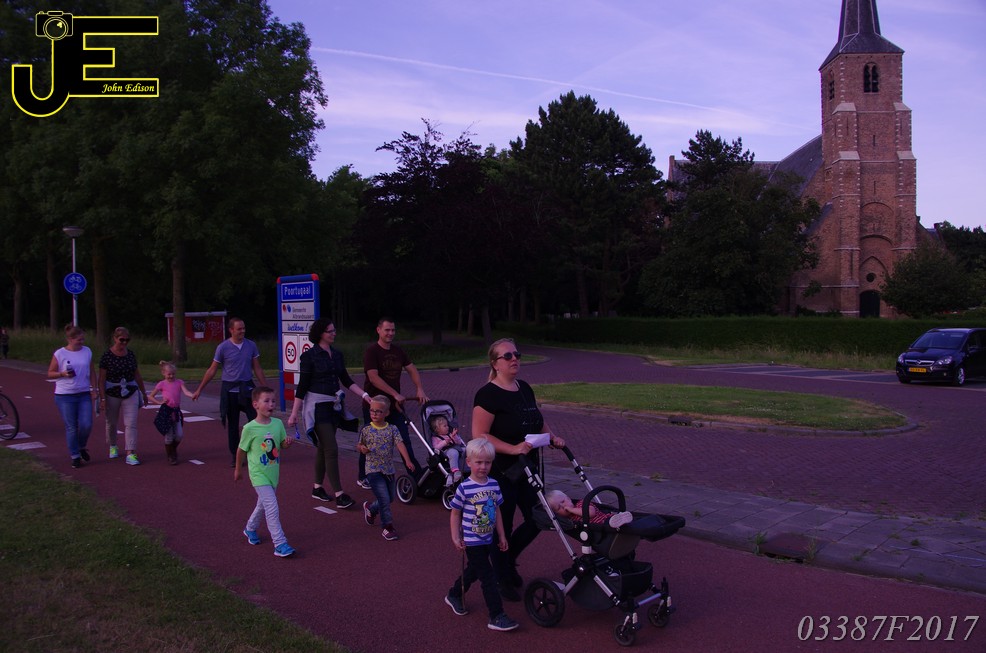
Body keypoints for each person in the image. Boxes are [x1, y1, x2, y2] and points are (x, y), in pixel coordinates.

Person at [472, 337, 565, 602]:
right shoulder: (487, 394)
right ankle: (501, 576)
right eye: (508, 356)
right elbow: (479, 435)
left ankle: (508, 559)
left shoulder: (524, 388)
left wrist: (551, 437)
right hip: (501, 472)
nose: (514, 359)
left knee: (539, 518)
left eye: (517, 354)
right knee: (502, 526)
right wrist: (513, 449)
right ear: (495, 363)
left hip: (528, 469)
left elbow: (537, 420)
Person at [287, 318, 370, 509]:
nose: (334, 333)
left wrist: (365, 395)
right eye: (330, 331)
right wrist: (294, 413)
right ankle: (340, 495)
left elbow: (346, 380)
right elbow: (302, 386)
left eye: (334, 330)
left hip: (334, 407)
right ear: (320, 334)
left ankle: (317, 487)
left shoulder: (337, 355)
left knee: (323, 448)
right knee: (331, 448)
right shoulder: (309, 356)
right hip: (317, 408)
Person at [443, 438, 519, 632]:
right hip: (472, 540)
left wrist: (502, 535)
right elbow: (455, 513)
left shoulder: (494, 484)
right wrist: (455, 537)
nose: (483, 467)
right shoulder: (464, 487)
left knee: (474, 570)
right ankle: (496, 615)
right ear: (469, 462)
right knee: (488, 576)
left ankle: (454, 593)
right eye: (479, 462)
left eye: (487, 462)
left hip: (488, 538)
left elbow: (497, 510)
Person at [358, 317, 428, 487]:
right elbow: (373, 378)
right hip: (375, 407)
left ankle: (416, 476)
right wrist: (395, 394)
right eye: (387, 330)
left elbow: (411, 368)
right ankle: (363, 476)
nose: (390, 333)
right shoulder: (372, 352)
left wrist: (419, 388)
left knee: (404, 440)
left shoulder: (398, 351)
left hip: (395, 407)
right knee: (371, 442)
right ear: (378, 330)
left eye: (393, 330)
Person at [193, 318, 269, 466]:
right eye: (239, 329)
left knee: (255, 421)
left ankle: (255, 452)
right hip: (230, 391)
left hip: (247, 389)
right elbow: (212, 370)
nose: (242, 331)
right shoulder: (223, 348)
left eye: (244, 328)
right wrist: (199, 389)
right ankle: (236, 455)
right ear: (231, 330)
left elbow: (257, 368)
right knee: (233, 425)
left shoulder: (251, 345)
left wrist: (265, 388)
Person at [235, 386, 296, 558]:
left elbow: (281, 444)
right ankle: (280, 543)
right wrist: (238, 469)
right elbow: (241, 450)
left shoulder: (277, 424)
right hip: (258, 475)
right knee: (271, 505)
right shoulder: (249, 428)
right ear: (255, 404)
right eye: (266, 401)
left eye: (273, 401)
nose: (271, 404)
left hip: (273, 474)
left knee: (262, 504)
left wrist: (287, 443)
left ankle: (250, 528)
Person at [357, 395, 415, 541]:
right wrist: (362, 449)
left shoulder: (392, 429)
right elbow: (360, 445)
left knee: (390, 498)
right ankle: (387, 527)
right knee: (383, 498)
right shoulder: (366, 429)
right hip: (372, 469)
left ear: (386, 413)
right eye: (372, 410)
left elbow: (400, 444)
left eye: (378, 411)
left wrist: (408, 460)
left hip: (388, 469)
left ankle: (371, 509)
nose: (374, 414)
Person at [47, 324, 98, 468]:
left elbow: (91, 371)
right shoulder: (60, 353)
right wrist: (62, 374)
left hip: (83, 393)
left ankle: (81, 446)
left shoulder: (87, 351)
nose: (81, 342)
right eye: (78, 340)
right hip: (65, 395)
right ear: (70, 339)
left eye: (83, 339)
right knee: (71, 427)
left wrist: (94, 389)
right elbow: (50, 373)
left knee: (86, 424)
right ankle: (75, 456)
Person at [98, 327, 148, 465]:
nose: (124, 343)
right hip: (112, 392)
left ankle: (130, 452)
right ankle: (113, 445)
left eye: (127, 340)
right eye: (122, 340)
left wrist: (144, 393)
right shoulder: (107, 356)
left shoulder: (130, 355)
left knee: (131, 423)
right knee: (112, 422)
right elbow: (101, 379)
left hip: (130, 391)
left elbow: (137, 375)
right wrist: (102, 398)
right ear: (115, 339)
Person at [148, 360, 195, 465]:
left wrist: (193, 395)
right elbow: (151, 396)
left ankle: (173, 449)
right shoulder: (162, 384)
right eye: (169, 374)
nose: (171, 376)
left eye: (173, 374)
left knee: (179, 435)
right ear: (163, 373)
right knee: (169, 436)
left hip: (176, 411)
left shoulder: (179, 382)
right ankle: (170, 455)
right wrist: (159, 402)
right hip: (166, 411)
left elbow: (186, 391)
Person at [545, 489, 634, 528]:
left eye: (563, 501)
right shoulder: (568, 521)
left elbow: (591, 513)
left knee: (610, 520)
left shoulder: (581, 504)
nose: (564, 507)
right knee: (610, 525)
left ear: (569, 499)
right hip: (599, 528)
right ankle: (621, 520)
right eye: (559, 508)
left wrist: (572, 510)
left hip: (604, 520)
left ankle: (621, 518)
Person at [429, 413, 467, 484]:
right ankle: (455, 471)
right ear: (437, 429)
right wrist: (445, 442)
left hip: (456, 448)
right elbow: (436, 447)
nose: (447, 427)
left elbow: (459, 442)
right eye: (445, 426)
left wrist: (455, 436)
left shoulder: (450, 434)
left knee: (467, 450)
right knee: (453, 452)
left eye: (447, 425)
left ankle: (469, 466)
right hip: (445, 452)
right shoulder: (435, 438)